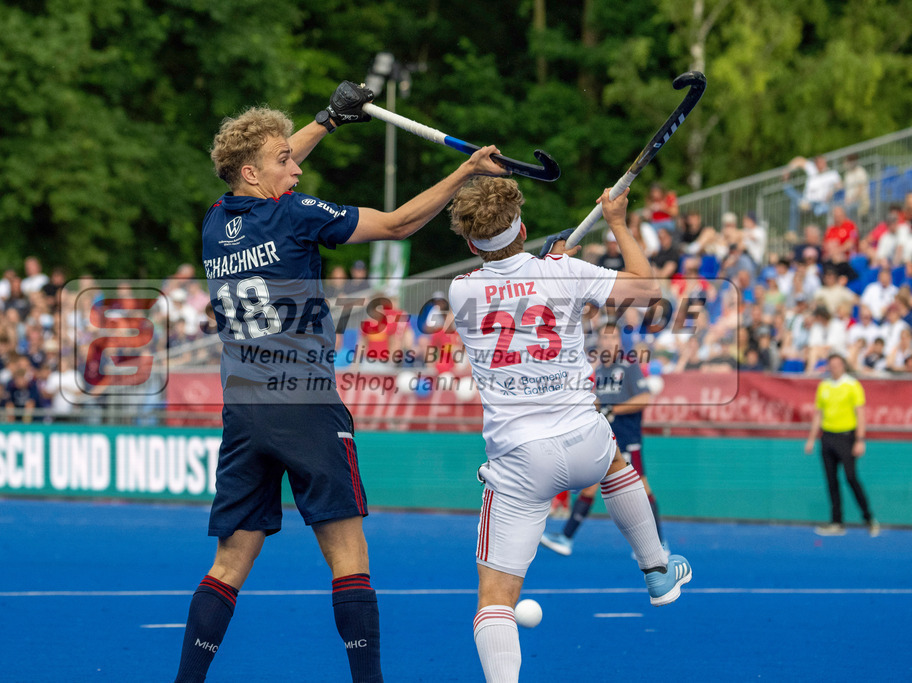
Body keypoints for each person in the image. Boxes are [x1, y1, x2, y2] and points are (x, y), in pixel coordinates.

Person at [172, 81, 509, 683]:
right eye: (285, 161)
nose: (296, 168)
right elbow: (402, 224)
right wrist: (466, 172)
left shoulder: (216, 221)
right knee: (348, 557)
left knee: (230, 561)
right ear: (253, 172)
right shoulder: (297, 214)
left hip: (245, 410)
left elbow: (266, 165)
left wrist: (328, 119)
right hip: (306, 405)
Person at [447, 178, 691, 683]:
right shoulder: (563, 271)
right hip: (587, 439)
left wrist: (544, 263)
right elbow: (646, 290)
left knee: (495, 602)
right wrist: (618, 223)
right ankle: (656, 569)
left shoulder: (460, 289)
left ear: (472, 243)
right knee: (617, 463)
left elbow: (509, 277)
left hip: (521, 459)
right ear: (523, 226)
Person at [539, 322, 668, 558]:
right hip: (606, 438)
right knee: (590, 484)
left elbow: (644, 398)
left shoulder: (628, 365)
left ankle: (660, 544)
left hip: (627, 439)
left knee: (642, 487)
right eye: (605, 339)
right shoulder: (599, 371)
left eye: (613, 338)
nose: (609, 342)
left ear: (619, 341)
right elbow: (600, 403)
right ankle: (566, 537)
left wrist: (614, 410)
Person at [804, 354, 879, 536]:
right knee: (831, 481)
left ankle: (869, 518)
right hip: (827, 437)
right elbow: (818, 414)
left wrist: (860, 439)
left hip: (847, 437)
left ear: (843, 366)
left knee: (851, 477)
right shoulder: (824, 386)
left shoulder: (852, 385)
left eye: (838, 365)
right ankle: (837, 522)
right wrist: (812, 439)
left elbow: (860, 413)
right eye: (832, 365)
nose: (835, 368)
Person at [783, 155, 841, 233]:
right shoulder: (812, 169)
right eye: (818, 162)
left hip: (819, 202)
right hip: (806, 198)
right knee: (786, 187)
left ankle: (801, 204)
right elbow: (799, 160)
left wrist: (831, 192)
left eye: (822, 162)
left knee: (795, 204)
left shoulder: (832, 174)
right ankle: (792, 231)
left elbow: (839, 186)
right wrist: (788, 170)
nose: (820, 164)